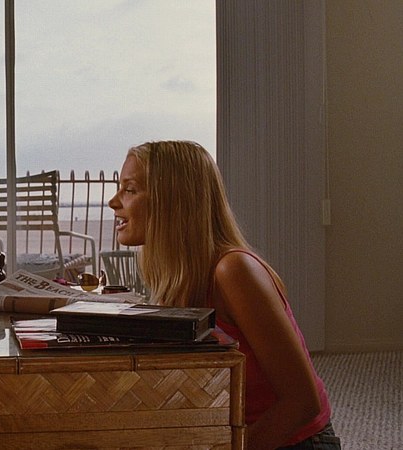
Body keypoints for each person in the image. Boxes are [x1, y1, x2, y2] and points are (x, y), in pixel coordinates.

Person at [108, 141, 341, 450]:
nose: (113, 202)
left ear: (173, 200)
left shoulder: (234, 271)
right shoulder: (177, 277)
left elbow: (302, 402)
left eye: (129, 190)